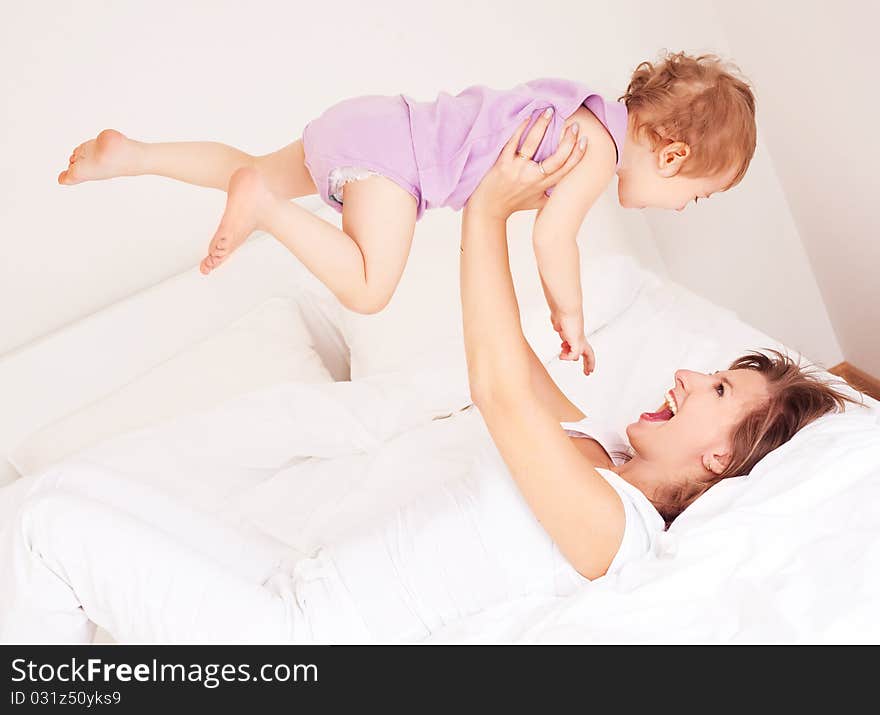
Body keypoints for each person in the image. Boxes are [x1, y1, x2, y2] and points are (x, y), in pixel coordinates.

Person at [4, 106, 841, 646]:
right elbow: (507, 346)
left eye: (721, 392)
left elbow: (498, 390)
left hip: (303, 637)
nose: (691, 375)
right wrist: (508, 207)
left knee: (44, 524)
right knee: (63, 488)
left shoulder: (618, 532)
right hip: (289, 573)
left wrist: (481, 210)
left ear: (722, 460)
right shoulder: (595, 443)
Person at [56, 52, 757, 375]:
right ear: (670, 156)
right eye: (694, 193)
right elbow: (553, 238)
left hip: (372, 121)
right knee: (369, 287)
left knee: (248, 161)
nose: (685, 206)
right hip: (393, 166)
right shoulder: (595, 151)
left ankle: (135, 155)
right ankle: (265, 208)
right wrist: (568, 317)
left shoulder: (578, 101)